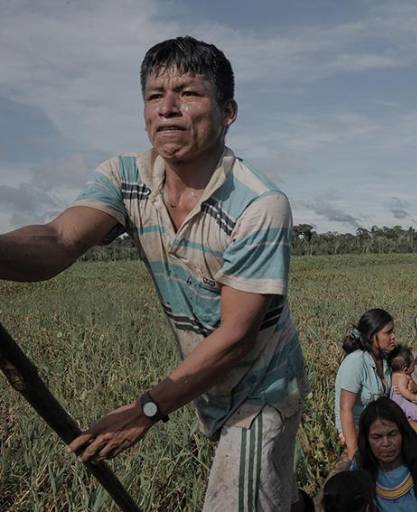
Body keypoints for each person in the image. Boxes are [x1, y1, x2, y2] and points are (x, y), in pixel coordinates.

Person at [0, 36, 309, 511]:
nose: (167, 108)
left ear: (227, 112)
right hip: (209, 386)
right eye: (153, 95)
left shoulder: (260, 206)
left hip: (262, 390)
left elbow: (236, 337)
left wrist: (146, 408)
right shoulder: (126, 178)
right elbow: (60, 240)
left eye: (188, 93)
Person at [335, 308, 397, 459]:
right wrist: (353, 454)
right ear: (372, 336)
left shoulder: (383, 360)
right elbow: (345, 410)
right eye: (388, 333)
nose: (394, 337)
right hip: (358, 428)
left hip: (378, 424)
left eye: (393, 331)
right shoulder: (356, 362)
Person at [387, 344, 417, 448]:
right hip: (401, 402)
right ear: (405, 368)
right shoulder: (403, 377)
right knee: (416, 410)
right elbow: (403, 391)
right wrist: (414, 397)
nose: (414, 367)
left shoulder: (394, 374)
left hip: (395, 400)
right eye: (413, 365)